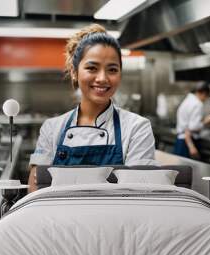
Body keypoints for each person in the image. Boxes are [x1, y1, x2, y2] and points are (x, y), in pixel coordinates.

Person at [28, 24, 157, 192]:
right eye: (92, 68)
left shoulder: (137, 127)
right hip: (60, 217)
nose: (102, 78)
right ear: (74, 72)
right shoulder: (52, 128)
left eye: (112, 69)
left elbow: (140, 192)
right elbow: (35, 190)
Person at [174, 81, 210, 159]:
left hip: (180, 140)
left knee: (180, 168)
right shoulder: (197, 104)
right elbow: (193, 127)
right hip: (187, 142)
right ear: (203, 93)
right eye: (206, 96)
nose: (205, 99)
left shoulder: (187, 101)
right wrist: (206, 121)